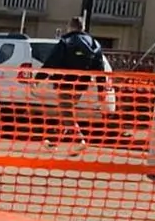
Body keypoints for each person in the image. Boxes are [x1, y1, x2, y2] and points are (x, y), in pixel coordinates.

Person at [44, 16, 111, 147]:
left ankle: (79, 139)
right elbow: (99, 68)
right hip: (81, 84)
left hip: (64, 82)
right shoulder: (94, 43)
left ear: (70, 26)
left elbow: (52, 61)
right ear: (83, 27)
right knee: (66, 109)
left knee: (66, 110)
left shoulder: (66, 41)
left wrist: (38, 78)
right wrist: (101, 89)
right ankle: (55, 140)